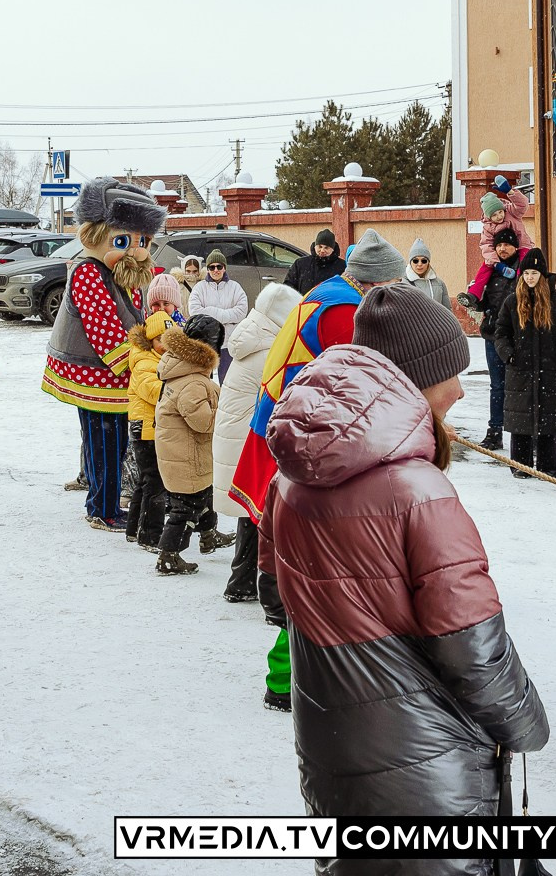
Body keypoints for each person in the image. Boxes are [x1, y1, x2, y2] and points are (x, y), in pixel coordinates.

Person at [263, 284, 548, 874]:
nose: (462, 389)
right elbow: (471, 646)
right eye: (452, 372)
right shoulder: (416, 491)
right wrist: (525, 723)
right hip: (424, 763)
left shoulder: (290, 478)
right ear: (417, 376)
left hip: (333, 742)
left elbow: (275, 585)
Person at [230, 227, 407, 713]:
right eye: (391, 286)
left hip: (287, 427)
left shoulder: (326, 295)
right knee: (309, 566)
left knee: (292, 553)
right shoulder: (344, 309)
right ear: (374, 284)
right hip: (300, 440)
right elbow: (350, 379)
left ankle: (284, 655)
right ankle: (290, 673)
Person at [41, 178, 166, 530]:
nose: (136, 251)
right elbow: (106, 333)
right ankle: (102, 508)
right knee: (105, 442)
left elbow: (135, 320)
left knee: (112, 441)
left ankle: (105, 503)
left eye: (143, 242)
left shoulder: (120, 274)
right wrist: (142, 358)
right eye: (123, 241)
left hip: (114, 376)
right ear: (94, 235)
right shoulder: (88, 273)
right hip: (94, 374)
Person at [212, 282, 301, 604]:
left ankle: (242, 580)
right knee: (260, 515)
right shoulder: (270, 350)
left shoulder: (253, 339)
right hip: (250, 438)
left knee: (250, 513)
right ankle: (253, 585)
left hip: (237, 436)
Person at [153, 314, 231, 576]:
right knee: (184, 508)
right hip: (185, 456)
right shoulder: (194, 382)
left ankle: (209, 534)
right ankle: (168, 555)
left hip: (182, 452)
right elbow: (203, 422)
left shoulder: (182, 369)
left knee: (205, 494)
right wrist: (225, 409)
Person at [493, 247, 556, 481]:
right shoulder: (512, 302)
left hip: (551, 370)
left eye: (534, 273)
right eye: (526, 272)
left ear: (543, 275)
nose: (530, 277)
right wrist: (508, 355)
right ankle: (521, 465)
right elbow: (501, 332)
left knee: (549, 419)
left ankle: (549, 466)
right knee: (520, 419)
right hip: (520, 370)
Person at [124, 273, 182, 551]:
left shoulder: (155, 357)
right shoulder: (145, 360)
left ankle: (134, 528)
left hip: (148, 427)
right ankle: (150, 534)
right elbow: (153, 391)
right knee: (155, 484)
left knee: (145, 483)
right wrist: (175, 389)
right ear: (152, 339)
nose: (167, 345)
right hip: (146, 428)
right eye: (163, 340)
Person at [460, 229, 524, 452]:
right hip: (493, 334)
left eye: (507, 245)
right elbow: (482, 299)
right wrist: (474, 301)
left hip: (518, 337)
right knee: (497, 386)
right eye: (499, 245)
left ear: (516, 246)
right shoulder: (491, 271)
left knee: (519, 386)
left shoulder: (523, 269)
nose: (502, 249)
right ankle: (495, 431)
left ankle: (523, 432)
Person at [186, 248, 248, 378]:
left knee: (227, 380)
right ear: (207, 269)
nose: (215, 270)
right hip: (206, 343)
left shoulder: (235, 287)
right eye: (212, 267)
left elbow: (242, 311)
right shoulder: (200, 288)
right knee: (205, 380)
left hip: (228, 342)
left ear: (224, 268)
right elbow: (195, 311)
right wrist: (226, 316)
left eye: (219, 266)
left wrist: (210, 313)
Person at [285, 229, 345, 294]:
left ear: (333, 249)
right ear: (315, 246)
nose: (322, 250)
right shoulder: (300, 264)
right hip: (304, 302)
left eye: (326, 248)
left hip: (331, 303)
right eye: (320, 247)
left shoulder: (342, 266)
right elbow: (288, 286)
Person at [406, 238, 450, 310]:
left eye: (423, 261)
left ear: (428, 263)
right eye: (415, 261)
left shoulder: (439, 284)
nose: (419, 264)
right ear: (410, 262)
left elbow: (447, 311)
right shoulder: (401, 283)